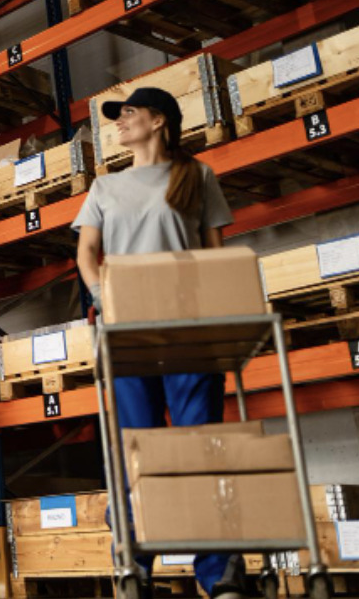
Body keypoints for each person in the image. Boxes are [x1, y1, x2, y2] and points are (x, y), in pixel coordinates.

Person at [72, 87, 246, 599]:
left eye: (129, 113)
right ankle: (135, 565)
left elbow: (215, 254)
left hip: (190, 331)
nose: (119, 123)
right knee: (137, 448)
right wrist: (105, 297)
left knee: (200, 447)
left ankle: (218, 571)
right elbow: (86, 253)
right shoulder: (105, 187)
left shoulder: (197, 176)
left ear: (159, 121)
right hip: (128, 332)